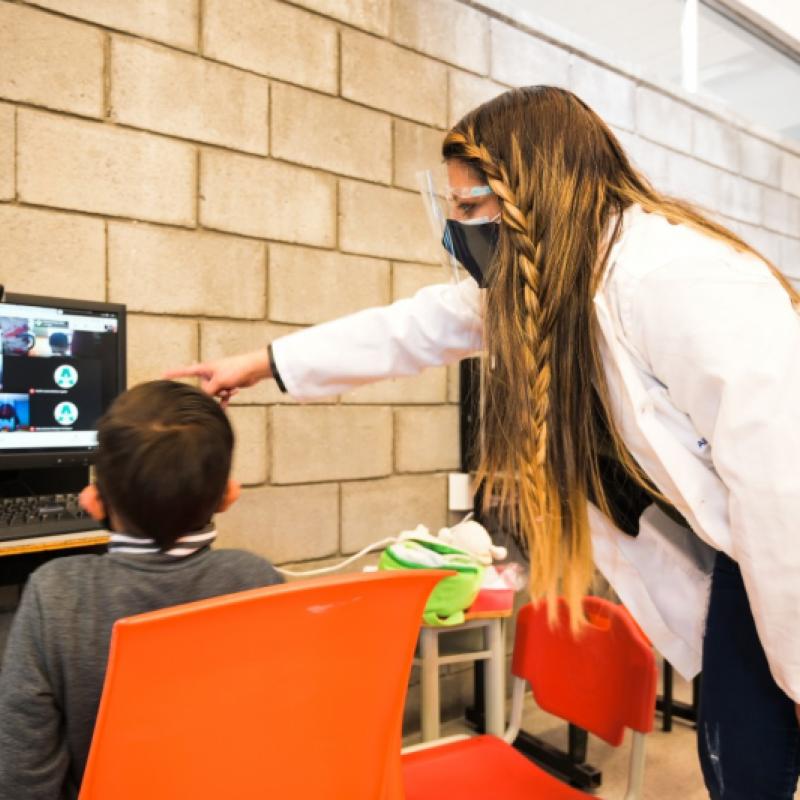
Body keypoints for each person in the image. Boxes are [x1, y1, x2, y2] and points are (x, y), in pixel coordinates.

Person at [168, 86, 800, 799]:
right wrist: (259, 364)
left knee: (753, 765)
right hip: (740, 559)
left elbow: (784, 488)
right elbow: (412, 329)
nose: (459, 232)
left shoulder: (675, 280)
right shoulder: (560, 275)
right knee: (741, 767)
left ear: (537, 191)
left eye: (471, 209)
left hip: (784, 549)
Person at [0, 380, 283, 800]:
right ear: (228, 495)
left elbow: (22, 778)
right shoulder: (257, 580)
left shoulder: (55, 593)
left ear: (94, 500)